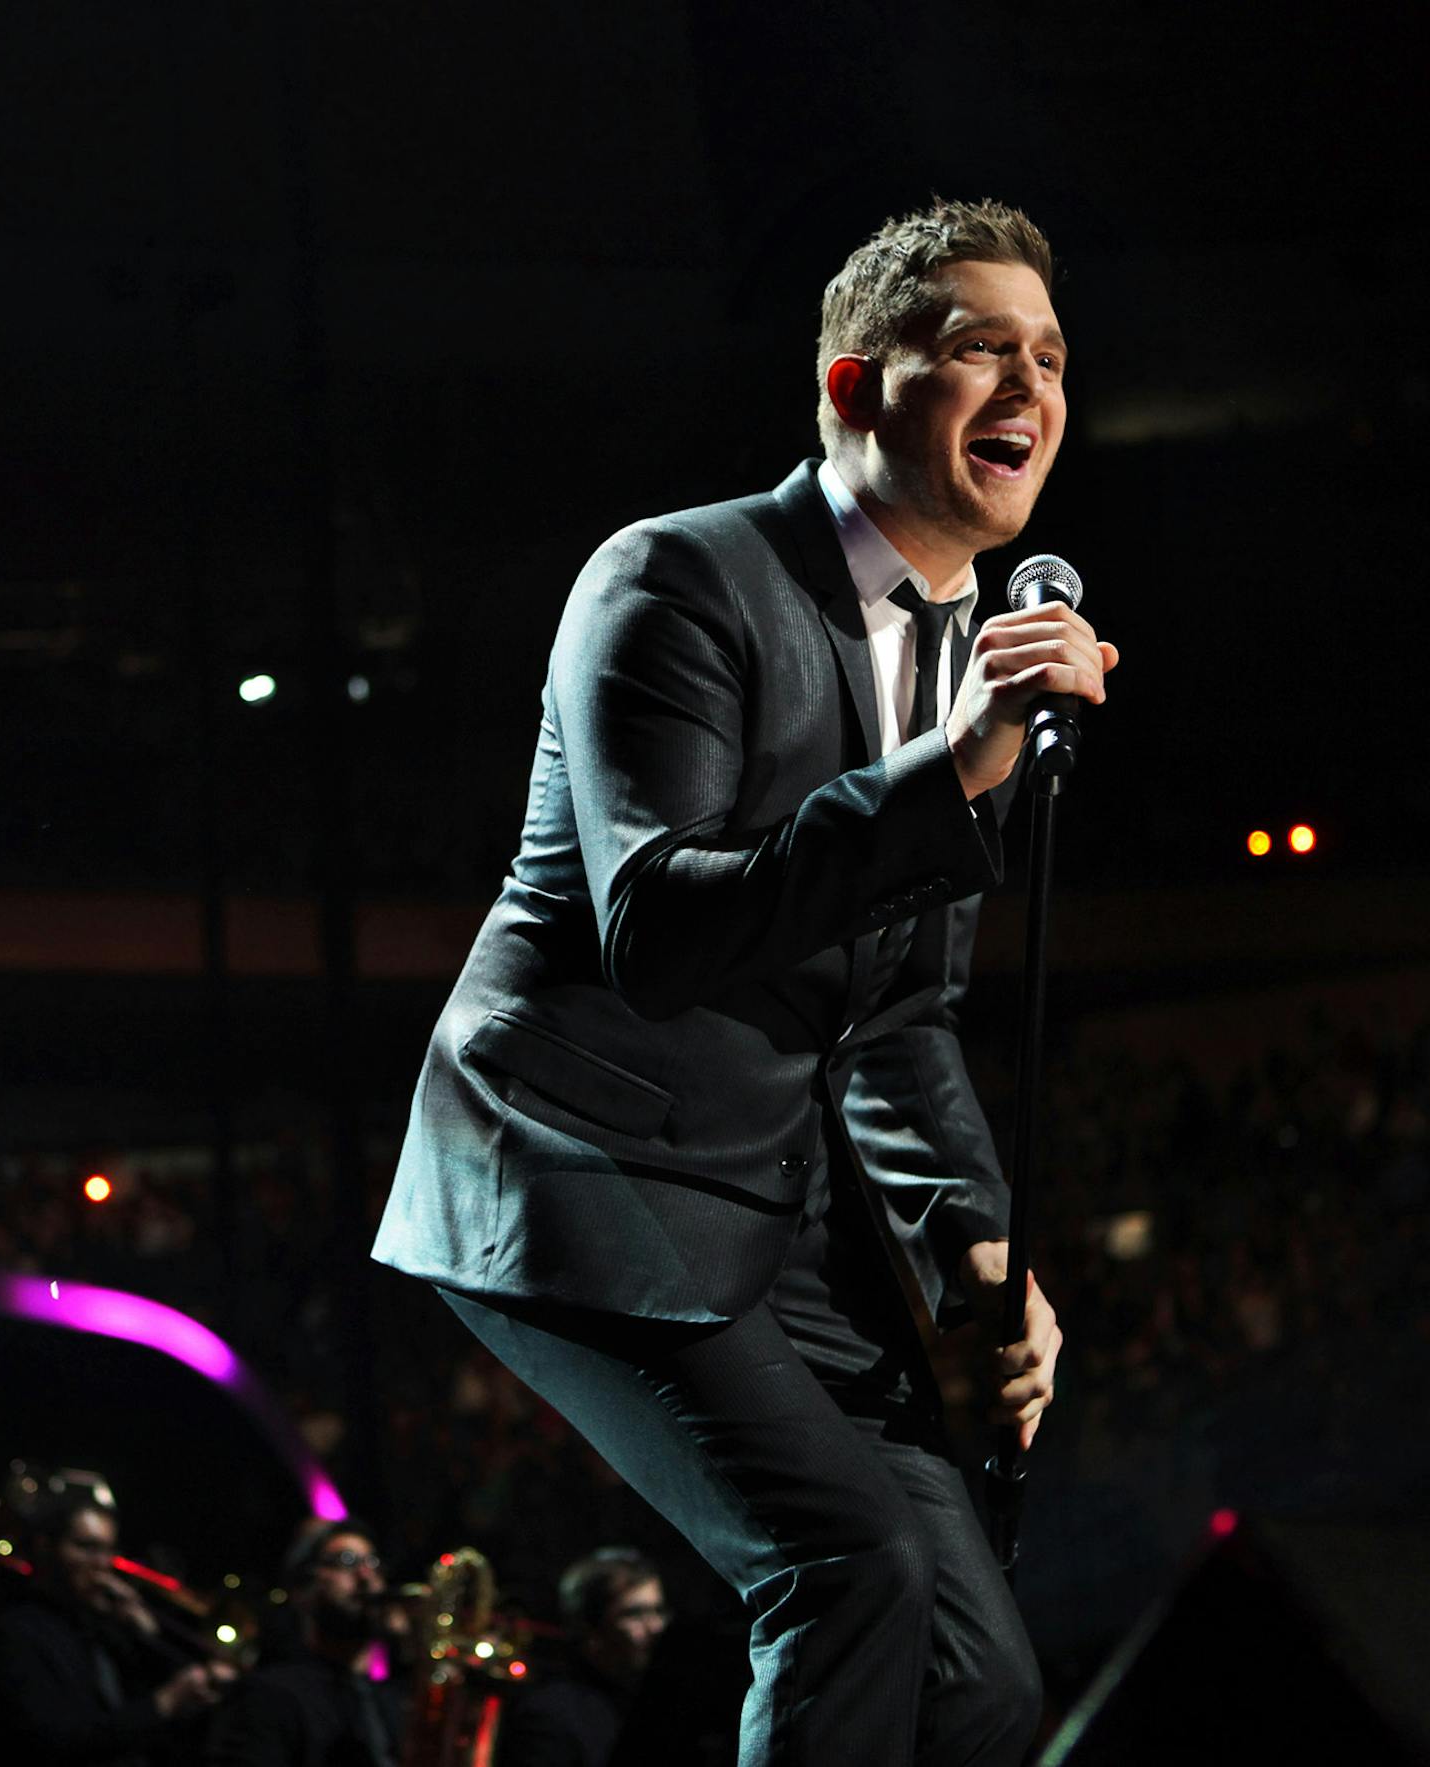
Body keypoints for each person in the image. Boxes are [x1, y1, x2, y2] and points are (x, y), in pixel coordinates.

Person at [373, 197, 1113, 1764]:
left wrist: (978, 1249)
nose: (1032, 390)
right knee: (851, 1565)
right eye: (980, 348)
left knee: (980, 1681)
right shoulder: (677, 579)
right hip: (580, 1162)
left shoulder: (966, 643)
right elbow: (657, 923)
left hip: (767, 1205)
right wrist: (955, 767)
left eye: (1050, 355)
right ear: (853, 388)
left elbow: (899, 1014)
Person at [0, 1490, 229, 1764]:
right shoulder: (15, 1630)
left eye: (107, 1550)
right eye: (86, 1547)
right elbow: (61, 1740)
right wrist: (165, 1703)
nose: (102, 1564)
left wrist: (144, 1632)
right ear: (45, 1546)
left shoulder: (101, 1624)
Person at [204, 1518, 403, 1767]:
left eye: (372, 1563)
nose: (366, 1576)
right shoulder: (270, 1695)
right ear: (303, 1591)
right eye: (347, 1561)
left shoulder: (388, 1701)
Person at [497, 1547, 667, 1767]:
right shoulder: (550, 1714)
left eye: (658, 1611)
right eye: (634, 1613)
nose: (656, 1627)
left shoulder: (649, 1701)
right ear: (589, 1626)